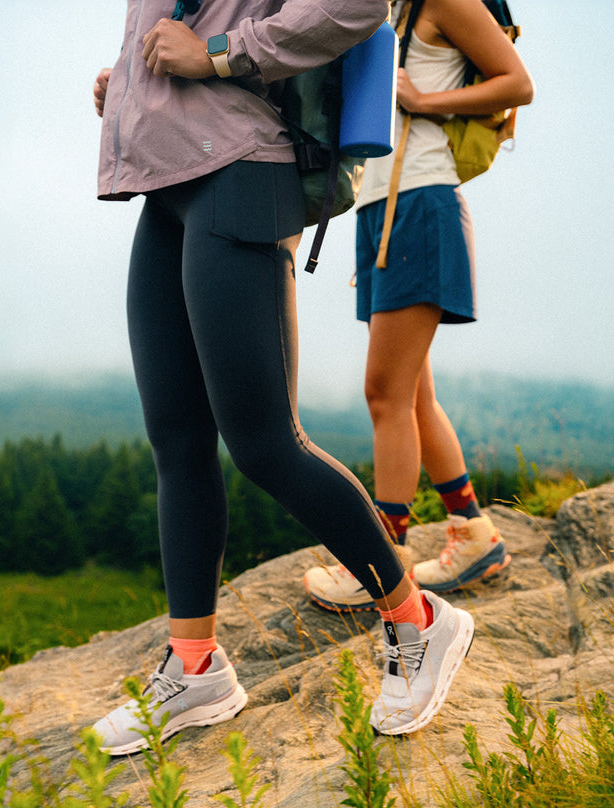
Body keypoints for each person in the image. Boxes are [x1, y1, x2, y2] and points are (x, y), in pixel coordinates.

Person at [90, 0, 475, 751]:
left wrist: (218, 54)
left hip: (242, 169)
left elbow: (355, 5)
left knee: (265, 441)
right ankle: (196, 666)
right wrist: (132, 91)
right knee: (177, 437)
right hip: (172, 180)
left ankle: (419, 622)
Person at [304, 0, 534, 611]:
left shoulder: (444, 1)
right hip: (382, 209)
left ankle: (380, 565)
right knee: (412, 396)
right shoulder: (390, 11)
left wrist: (424, 102)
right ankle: (473, 533)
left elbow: (518, 83)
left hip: (421, 203)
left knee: (384, 393)